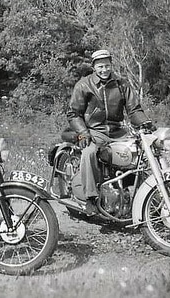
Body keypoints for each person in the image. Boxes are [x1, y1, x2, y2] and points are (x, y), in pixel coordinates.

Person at [66, 49, 152, 215]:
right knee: (89, 153)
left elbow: (133, 109)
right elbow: (73, 113)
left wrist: (144, 122)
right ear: (94, 67)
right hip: (94, 130)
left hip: (117, 130)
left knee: (139, 154)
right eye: (100, 66)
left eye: (107, 65)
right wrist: (83, 132)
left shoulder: (121, 84)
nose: (104, 69)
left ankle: (137, 195)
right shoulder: (84, 85)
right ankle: (90, 198)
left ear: (111, 65)